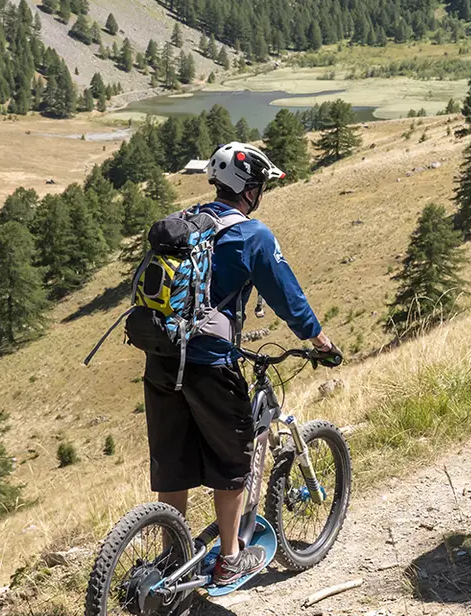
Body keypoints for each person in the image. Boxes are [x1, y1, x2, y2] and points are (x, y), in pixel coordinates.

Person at [143, 141, 337, 590]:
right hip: (210, 362)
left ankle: (172, 554)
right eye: (261, 186)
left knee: (174, 462)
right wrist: (321, 342)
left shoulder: (190, 221)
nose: (262, 194)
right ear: (249, 190)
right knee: (233, 462)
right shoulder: (253, 236)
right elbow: (289, 299)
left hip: (161, 356)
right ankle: (230, 558)